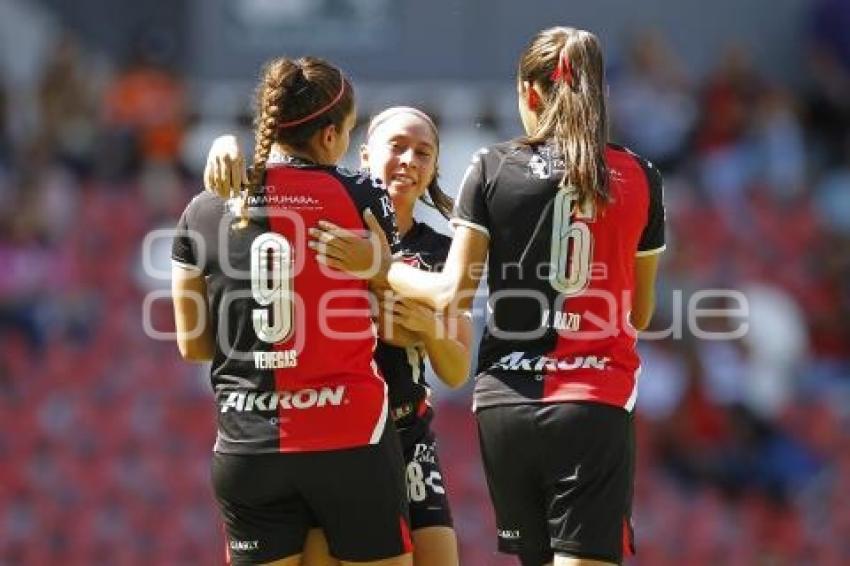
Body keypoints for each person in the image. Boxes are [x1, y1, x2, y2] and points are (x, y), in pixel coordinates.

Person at [310, 27, 665, 566]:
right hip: (591, 402)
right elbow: (640, 312)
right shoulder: (640, 175)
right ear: (600, 93)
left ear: (528, 92)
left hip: (505, 405)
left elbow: (452, 292)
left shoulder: (493, 165)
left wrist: (380, 268)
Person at [171, 56, 413, 566]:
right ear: (329, 136)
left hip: (246, 444)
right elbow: (392, 293)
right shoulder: (362, 195)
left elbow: (193, 345)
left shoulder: (201, 210)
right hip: (350, 438)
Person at [204, 106, 472, 566]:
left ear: (433, 170)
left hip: (405, 433)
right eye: (397, 147)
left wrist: (426, 328)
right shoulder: (323, 220)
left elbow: (455, 368)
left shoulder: (439, 252)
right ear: (362, 156)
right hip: (334, 438)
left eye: (423, 153)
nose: (409, 160)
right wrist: (224, 145)